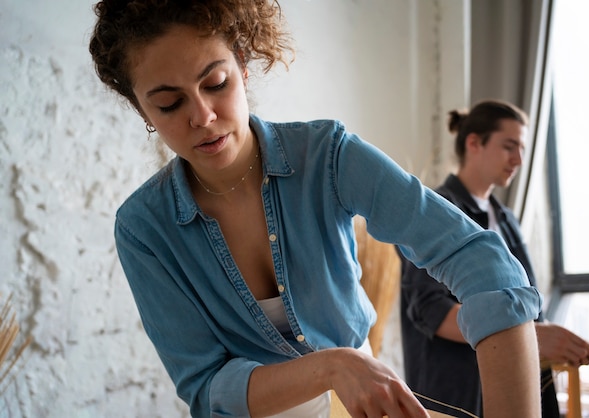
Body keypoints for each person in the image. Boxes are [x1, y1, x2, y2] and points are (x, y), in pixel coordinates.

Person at [89, 2, 544, 417]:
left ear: (244, 68)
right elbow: (207, 389)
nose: (203, 115)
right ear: (142, 110)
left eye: (216, 83)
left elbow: (483, 263)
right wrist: (331, 366)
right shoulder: (143, 228)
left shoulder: (326, 155)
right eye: (169, 103)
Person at [397, 99, 589, 417]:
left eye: (522, 149)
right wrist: (525, 335)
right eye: (509, 146)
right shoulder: (433, 210)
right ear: (474, 143)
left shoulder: (507, 219)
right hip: (458, 394)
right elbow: (430, 310)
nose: (518, 159)